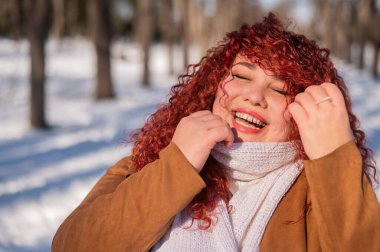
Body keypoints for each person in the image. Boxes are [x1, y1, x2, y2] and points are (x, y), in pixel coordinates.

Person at [52, 13, 380, 251]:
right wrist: (176, 166)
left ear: (305, 110)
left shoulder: (320, 192)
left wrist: (335, 156)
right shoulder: (149, 162)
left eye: (281, 90)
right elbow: (71, 245)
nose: (254, 95)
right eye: (242, 74)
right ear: (213, 82)